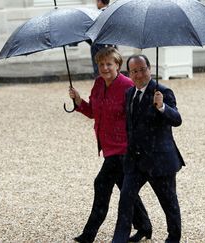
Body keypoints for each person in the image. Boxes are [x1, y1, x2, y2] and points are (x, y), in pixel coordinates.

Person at [68, 47, 152, 243]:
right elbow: (93, 112)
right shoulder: (98, 84)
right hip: (107, 147)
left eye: (109, 64)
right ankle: (145, 226)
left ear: (118, 65)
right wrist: (78, 100)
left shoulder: (128, 86)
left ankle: (89, 234)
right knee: (126, 189)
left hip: (124, 149)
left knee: (101, 184)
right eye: (101, 64)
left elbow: (140, 116)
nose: (104, 68)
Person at [112, 54, 185, 243]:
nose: (138, 74)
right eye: (134, 71)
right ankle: (122, 238)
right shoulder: (129, 93)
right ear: (129, 72)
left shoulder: (163, 92)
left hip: (160, 161)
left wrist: (162, 107)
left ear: (149, 69)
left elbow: (177, 120)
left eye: (142, 69)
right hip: (135, 161)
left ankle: (173, 237)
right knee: (126, 201)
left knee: (169, 203)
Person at [89, 0, 115, 78]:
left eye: (97, 1)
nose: (96, 4)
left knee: (100, 69)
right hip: (112, 45)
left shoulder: (96, 14)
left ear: (100, 1)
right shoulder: (113, 12)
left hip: (99, 46)